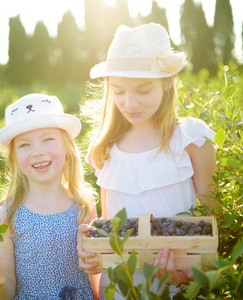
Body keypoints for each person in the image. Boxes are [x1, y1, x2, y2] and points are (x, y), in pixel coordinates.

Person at [77, 23, 218, 299]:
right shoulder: (106, 149)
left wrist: (193, 270)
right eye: (118, 91)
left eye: (143, 91)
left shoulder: (190, 140)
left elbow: (215, 225)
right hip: (121, 286)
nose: (130, 103)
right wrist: (92, 249)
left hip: (181, 284)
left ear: (169, 82)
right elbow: (111, 226)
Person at [0, 93, 97, 299]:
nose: (38, 152)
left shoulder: (84, 205)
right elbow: (6, 294)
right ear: (14, 156)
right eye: (25, 144)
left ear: (66, 147)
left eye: (48, 139)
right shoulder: (6, 215)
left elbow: (97, 279)